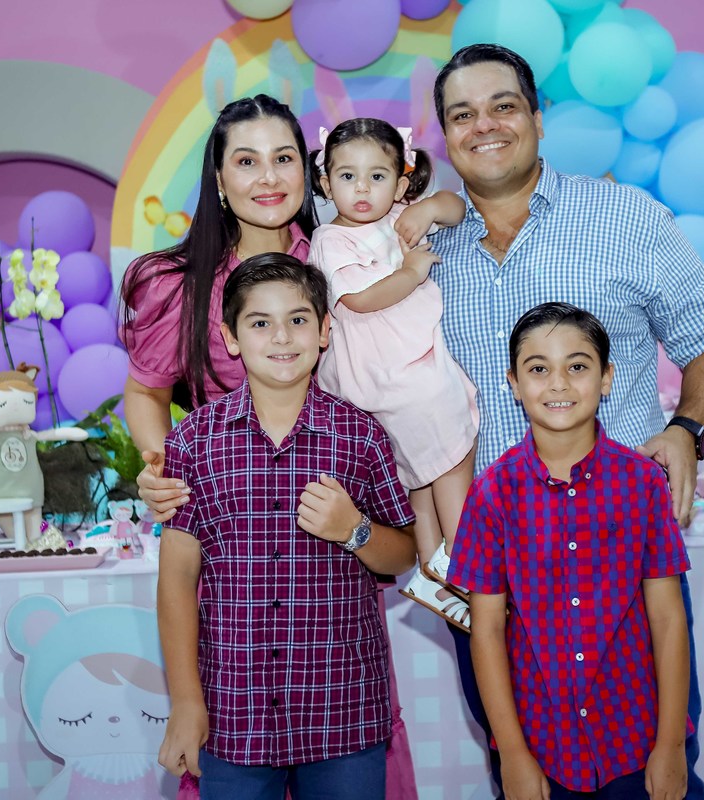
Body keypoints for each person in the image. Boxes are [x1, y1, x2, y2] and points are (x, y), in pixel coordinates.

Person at [397, 43, 704, 799]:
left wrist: (687, 430)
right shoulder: (414, 253)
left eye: (503, 106)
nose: (485, 125)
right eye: (463, 114)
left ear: (537, 117)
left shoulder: (625, 218)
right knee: (522, 770)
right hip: (489, 569)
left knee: (653, 771)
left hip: (623, 553)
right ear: (444, 137)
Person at [155, 253, 418, 800]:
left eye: (298, 319)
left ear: (324, 331)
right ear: (230, 338)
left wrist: (354, 530)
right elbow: (177, 578)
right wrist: (185, 700)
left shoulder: (360, 435)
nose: (281, 336)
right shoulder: (193, 442)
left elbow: (404, 554)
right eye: (260, 322)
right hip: (233, 711)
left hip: (343, 708)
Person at [450, 303, 691, 800]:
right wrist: (513, 754)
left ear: (606, 378)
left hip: (634, 736)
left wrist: (669, 745)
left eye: (577, 366)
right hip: (541, 743)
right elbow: (487, 630)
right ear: (514, 384)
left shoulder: (643, 483)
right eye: (538, 369)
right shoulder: (492, 492)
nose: (558, 383)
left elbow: (668, 620)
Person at [308, 117, 478, 631]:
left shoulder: (403, 216)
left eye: (377, 176)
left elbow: (458, 208)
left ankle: (432, 569)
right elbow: (360, 300)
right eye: (348, 176)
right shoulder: (330, 239)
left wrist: (430, 206)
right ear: (326, 183)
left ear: (401, 183)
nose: (362, 189)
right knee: (452, 453)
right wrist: (410, 272)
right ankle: (467, 561)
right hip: (392, 371)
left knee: (420, 474)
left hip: (400, 365)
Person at [121, 93, 317, 497]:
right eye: (247, 162)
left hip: (336, 495)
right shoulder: (182, 287)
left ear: (304, 170)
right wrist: (168, 479)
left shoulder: (343, 265)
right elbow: (146, 392)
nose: (269, 178)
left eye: (283, 158)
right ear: (219, 180)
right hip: (228, 501)